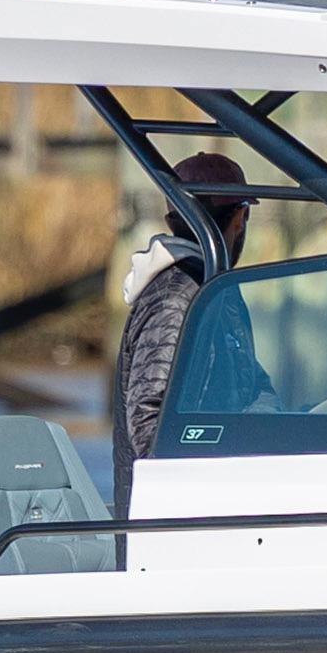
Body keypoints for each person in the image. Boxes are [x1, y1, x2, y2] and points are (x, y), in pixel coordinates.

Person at [107, 152, 250, 464]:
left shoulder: (216, 291)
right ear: (240, 218)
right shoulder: (176, 298)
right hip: (180, 507)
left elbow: (253, 387)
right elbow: (150, 429)